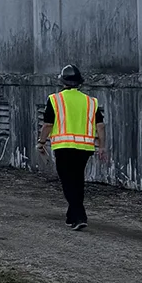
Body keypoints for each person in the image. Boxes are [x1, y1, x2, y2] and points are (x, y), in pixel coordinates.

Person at [38, 64, 104, 229]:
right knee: (78, 180)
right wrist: (102, 146)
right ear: (79, 82)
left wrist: (41, 142)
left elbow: (47, 124)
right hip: (85, 149)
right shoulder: (90, 101)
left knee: (68, 182)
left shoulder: (55, 99)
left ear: (62, 81)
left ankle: (79, 216)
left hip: (63, 147)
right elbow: (100, 126)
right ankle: (71, 216)